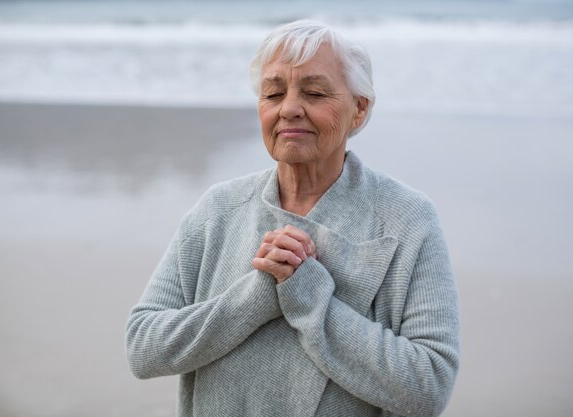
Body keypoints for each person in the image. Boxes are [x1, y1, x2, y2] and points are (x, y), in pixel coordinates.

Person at [125, 20, 459, 417]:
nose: (289, 109)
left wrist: (311, 298)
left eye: (315, 93)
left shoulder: (406, 220)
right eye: (273, 93)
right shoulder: (218, 209)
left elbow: (429, 386)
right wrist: (257, 295)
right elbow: (143, 348)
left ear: (359, 109)